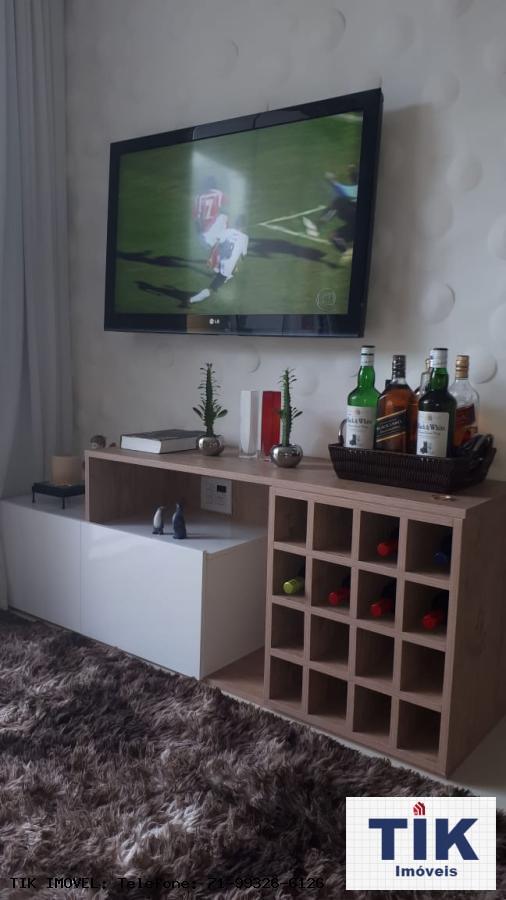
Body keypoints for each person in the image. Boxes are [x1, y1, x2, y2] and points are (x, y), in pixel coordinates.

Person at [190, 216, 249, 304]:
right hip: (227, 269)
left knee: (227, 273)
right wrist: (236, 264)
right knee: (212, 288)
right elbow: (243, 256)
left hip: (220, 261)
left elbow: (216, 244)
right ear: (244, 226)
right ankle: (191, 300)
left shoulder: (228, 231)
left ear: (236, 223)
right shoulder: (245, 238)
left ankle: (221, 276)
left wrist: (210, 258)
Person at [192, 176, 228, 250]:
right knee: (224, 215)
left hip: (204, 236)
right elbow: (228, 205)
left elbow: (195, 218)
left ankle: (210, 242)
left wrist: (200, 234)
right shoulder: (219, 193)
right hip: (216, 233)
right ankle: (222, 240)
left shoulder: (199, 197)